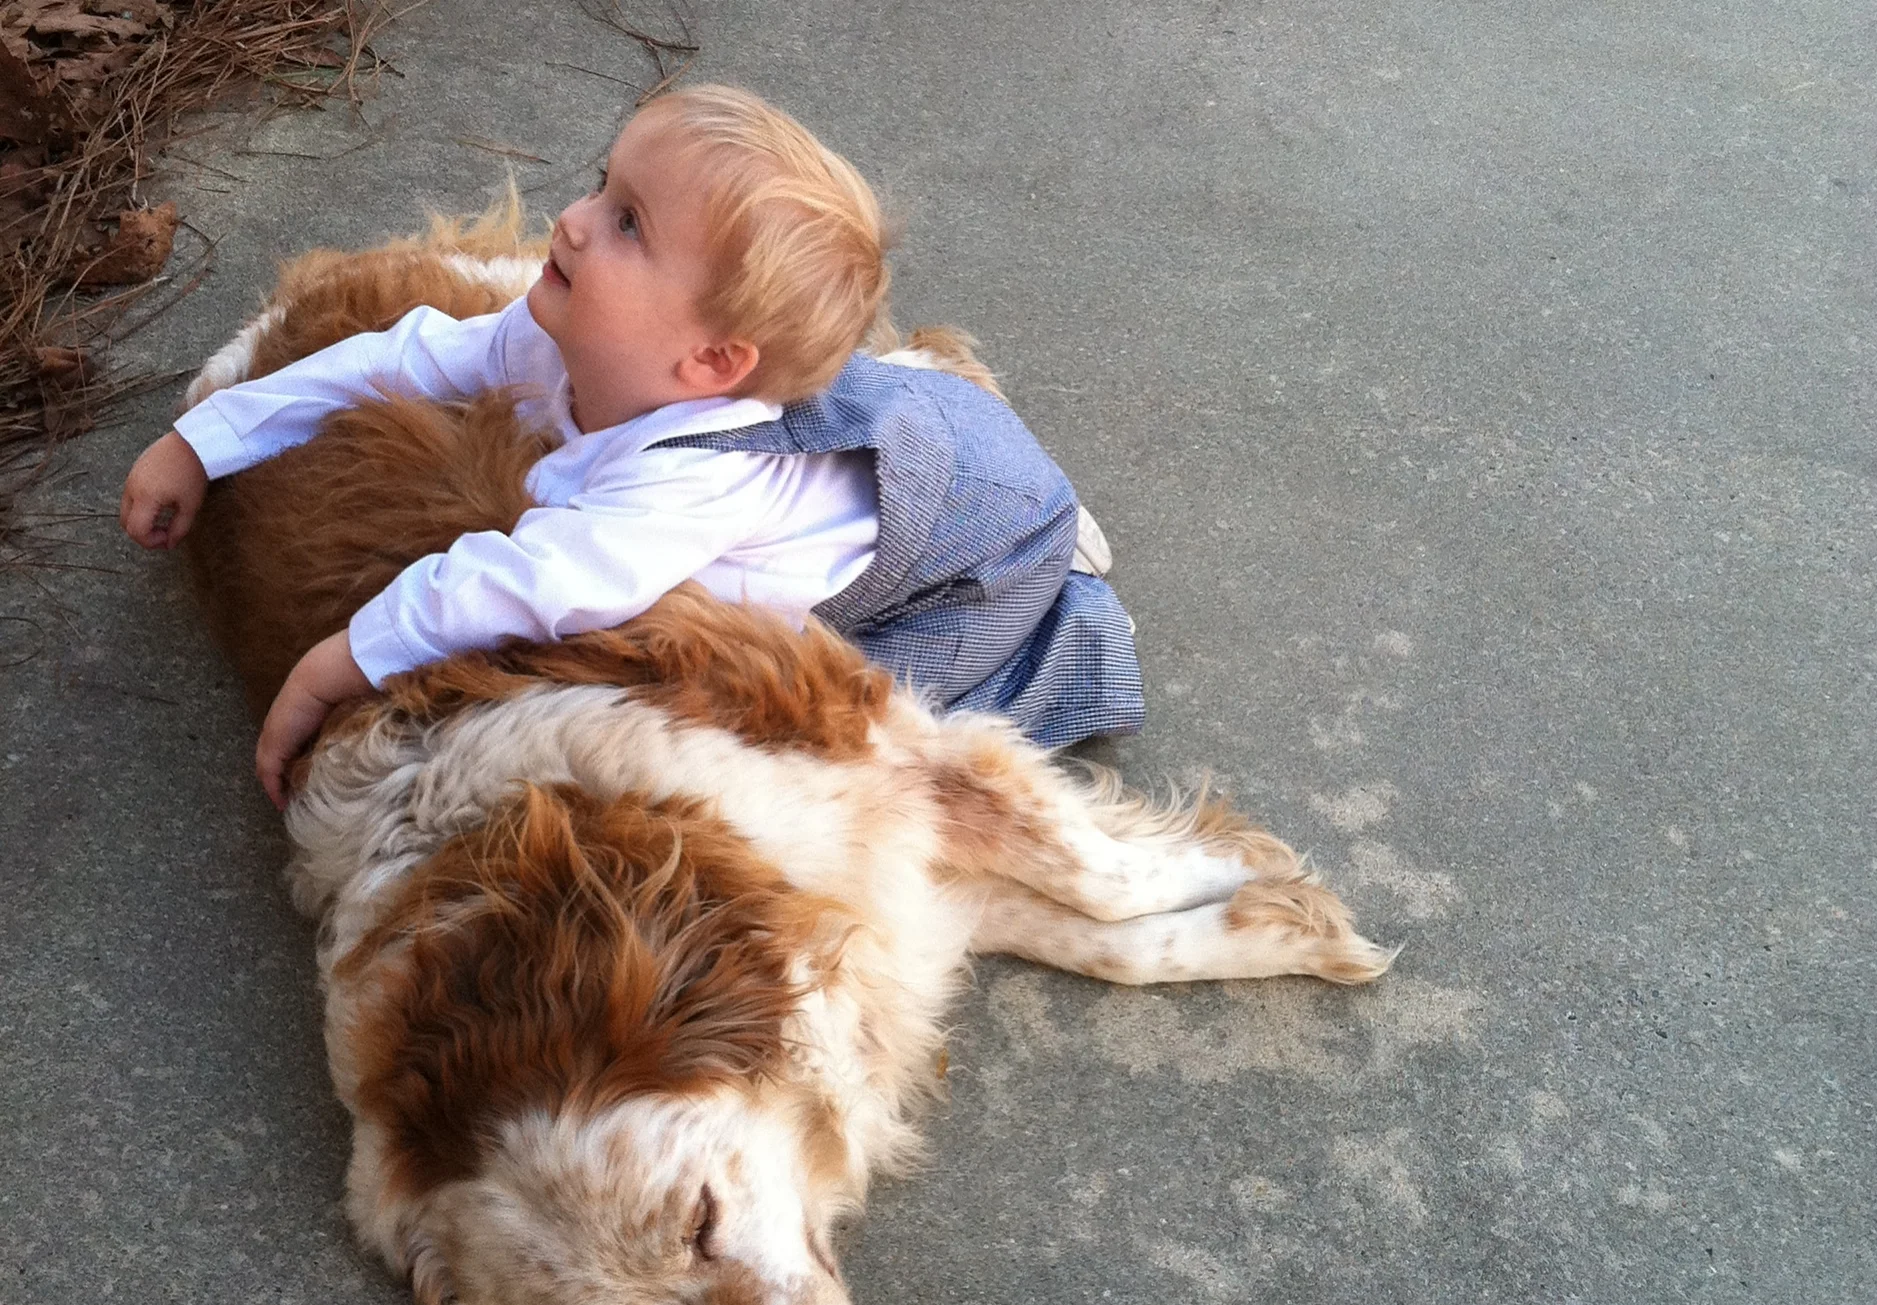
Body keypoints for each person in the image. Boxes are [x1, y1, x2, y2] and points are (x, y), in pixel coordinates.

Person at [121, 85, 1142, 808]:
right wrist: (204, 440)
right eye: (600, 187)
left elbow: (513, 584)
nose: (566, 223)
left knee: (842, 721)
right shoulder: (570, 339)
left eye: (625, 225)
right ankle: (959, 431)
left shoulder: (687, 495)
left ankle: (1066, 581)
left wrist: (335, 664)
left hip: (964, 551)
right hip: (908, 437)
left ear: (708, 361)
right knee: (879, 417)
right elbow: (402, 357)